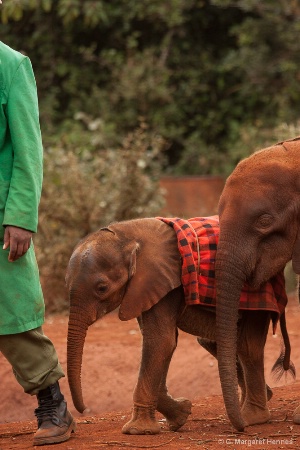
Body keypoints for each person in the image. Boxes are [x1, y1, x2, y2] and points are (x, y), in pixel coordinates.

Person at [0, 8, 76, 448]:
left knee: (13, 316)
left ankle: (53, 407)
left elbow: (29, 148)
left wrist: (20, 216)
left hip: (2, 213)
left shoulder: (11, 65)